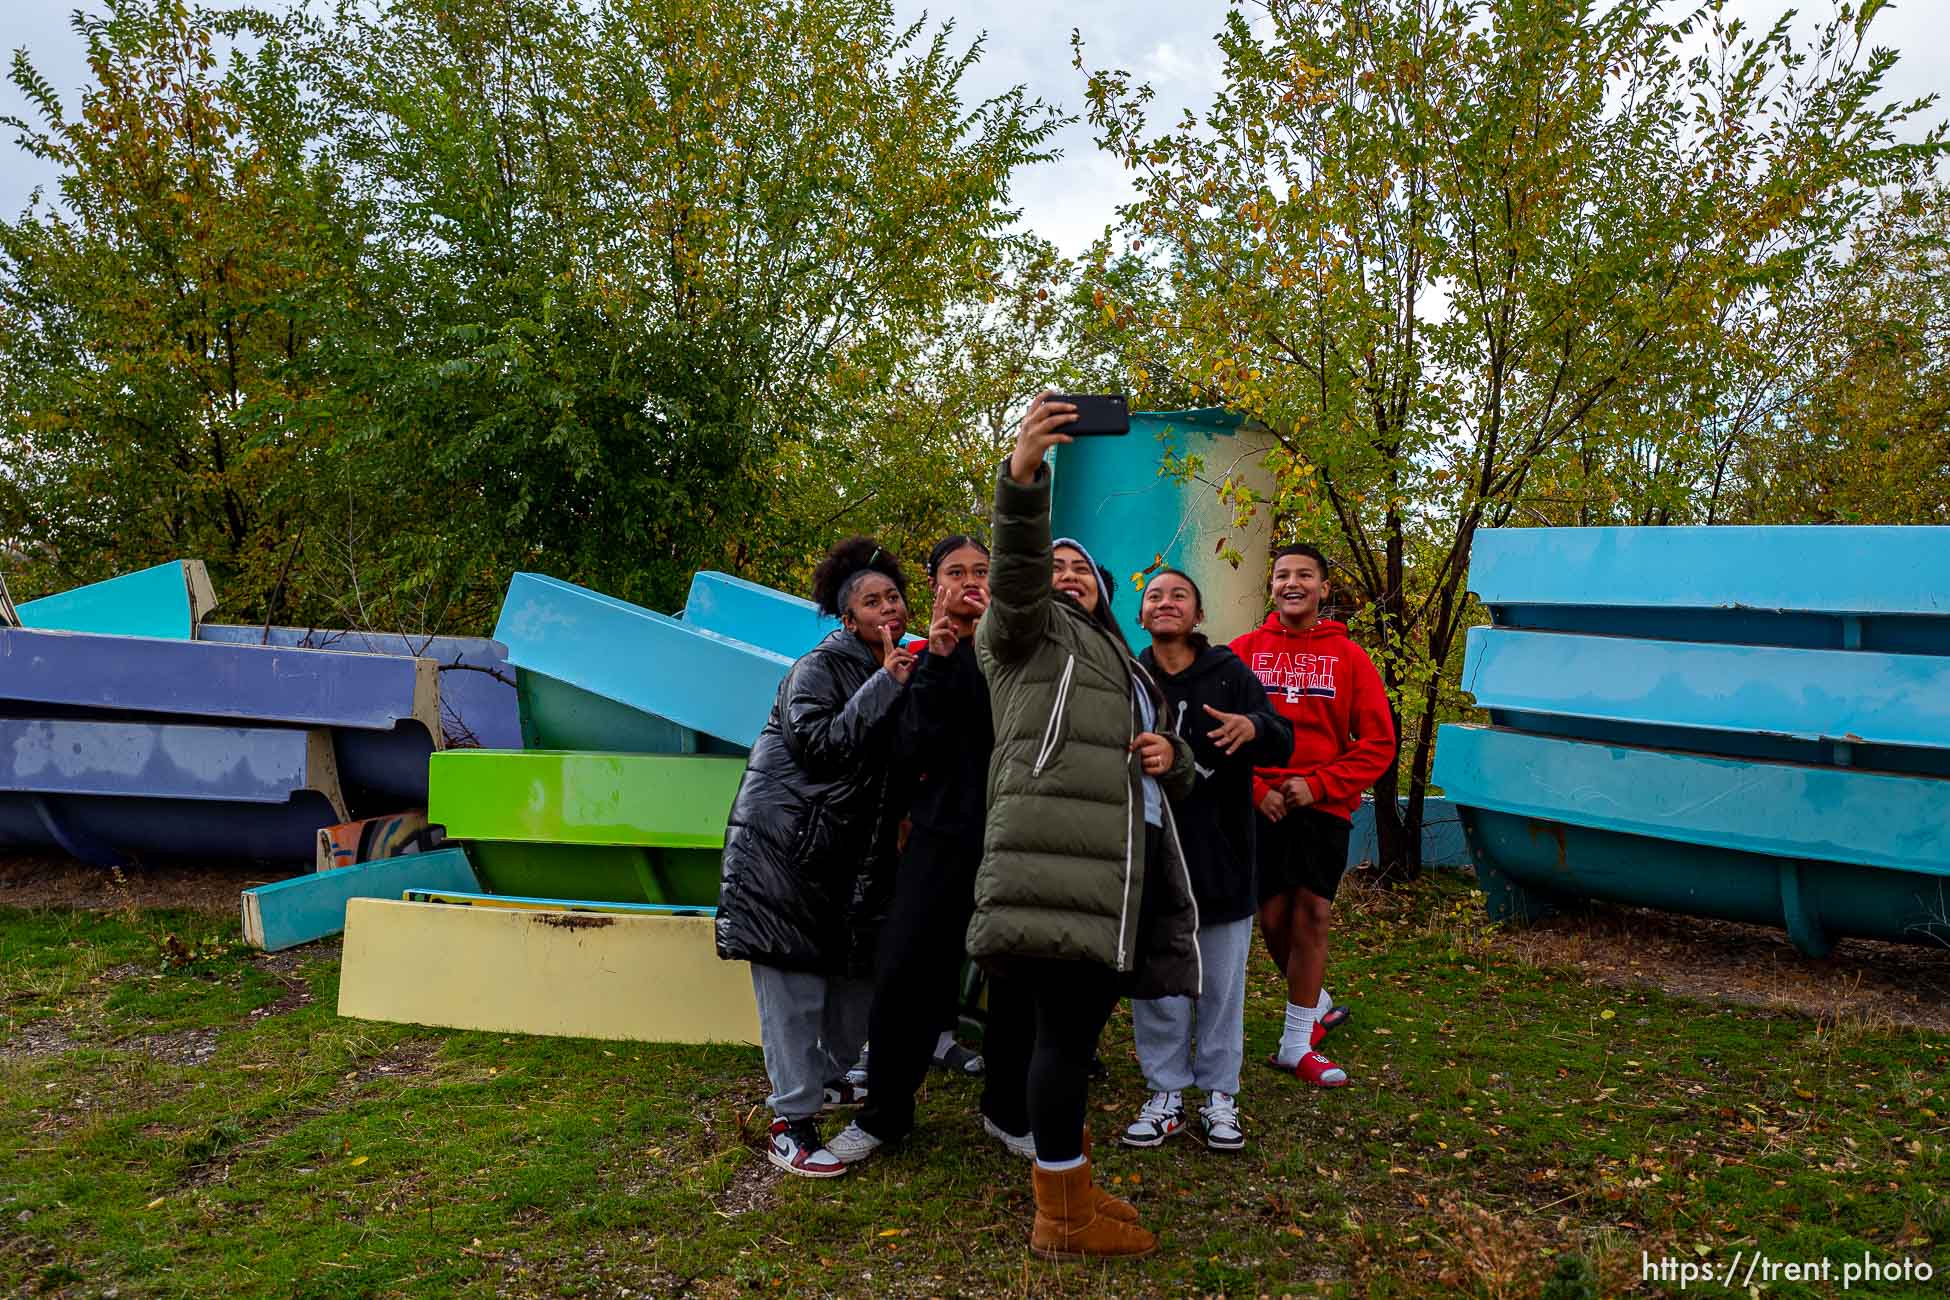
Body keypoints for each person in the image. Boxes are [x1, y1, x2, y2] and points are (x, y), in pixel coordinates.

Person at [967, 391, 1204, 1262]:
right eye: (1055, 566)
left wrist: (1169, 759)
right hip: (1054, 865)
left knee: (1067, 1032)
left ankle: (1066, 1185)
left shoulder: (1125, 667)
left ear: (1107, 591)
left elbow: (1165, 768)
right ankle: (1062, 1217)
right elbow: (1019, 573)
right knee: (1062, 1034)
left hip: (1116, 870)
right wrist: (1025, 480)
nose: (1064, 574)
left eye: (1082, 569)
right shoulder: (1023, 636)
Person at [827, 537, 1038, 1163]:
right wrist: (942, 657)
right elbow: (908, 749)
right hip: (940, 840)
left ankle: (1007, 1110)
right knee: (905, 974)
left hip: (1015, 838)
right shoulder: (918, 659)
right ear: (934, 585)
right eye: (956, 572)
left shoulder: (1022, 657)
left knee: (1014, 979)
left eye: (981, 571)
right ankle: (884, 1116)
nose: (970, 581)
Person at [716, 537, 919, 1178]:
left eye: (893, 596)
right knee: (793, 988)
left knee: (852, 981)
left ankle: (828, 1081)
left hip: (839, 860)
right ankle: (790, 1123)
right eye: (871, 601)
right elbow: (821, 744)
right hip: (784, 852)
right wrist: (884, 684)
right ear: (847, 616)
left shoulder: (895, 667)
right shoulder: (821, 668)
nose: (887, 607)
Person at [1121, 569, 1292, 1153]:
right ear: (1141, 616)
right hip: (1151, 858)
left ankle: (1221, 1095)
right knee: (1159, 984)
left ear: (1197, 615)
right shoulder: (1131, 679)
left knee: (1221, 986)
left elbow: (1282, 737)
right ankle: (1165, 1093)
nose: (1166, 603)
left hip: (1223, 859)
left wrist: (1254, 725)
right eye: (1154, 597)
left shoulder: (1231, 674)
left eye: (1179, 596)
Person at [1230, 543, 1396, 1088]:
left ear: (1324, 589)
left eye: (1305, 575)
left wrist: (1318, 784)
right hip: (1262, 806)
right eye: (1282, 575)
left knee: (1313, 915)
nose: (1292, 583)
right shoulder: (1243, 653)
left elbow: (1377, 743)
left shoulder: (1350, 659)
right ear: (1271, 586)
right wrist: (1256, 789)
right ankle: (1315, 1000)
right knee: (1273, 921)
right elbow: (1216, 735)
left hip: (1321, 807)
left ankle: (1295, 1043)